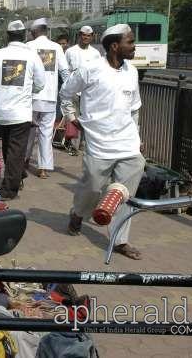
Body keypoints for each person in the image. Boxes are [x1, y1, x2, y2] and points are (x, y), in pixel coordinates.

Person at [60, 24, 145, 260]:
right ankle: (78, 213)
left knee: (125, 195)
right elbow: (66, 93)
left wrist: (137, 138)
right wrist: (71, 117)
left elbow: (135, 109)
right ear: (115, 46)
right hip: (98, 144)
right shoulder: (90, 69)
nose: (134, 46)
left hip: (127, 144)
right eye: (130, 42)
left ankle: (120, 240)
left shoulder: (132, 72)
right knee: (93, 188)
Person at [0, 20, 45, 200]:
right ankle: (10, 189)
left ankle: (16, 176)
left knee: (8, 148)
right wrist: (26, 91)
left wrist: (1, 90)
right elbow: (40, 84)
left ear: (7, 36)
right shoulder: (32, 56)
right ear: (24, 36)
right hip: (21, 112)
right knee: (16, 151)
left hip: (1, 112)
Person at [25, 18, 69, 179]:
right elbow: (65, 72)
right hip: (50, 97)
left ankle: (24, 160)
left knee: (28, 132)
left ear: (35, 31)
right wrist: (69, 91)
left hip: (31, 98)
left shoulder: (28, 46)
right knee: (46, 133)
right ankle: (43, 168)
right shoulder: (56, 47)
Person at [64, 26, 101, 155]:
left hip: (89, 92)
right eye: (83, 35)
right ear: (79, 36)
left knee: (88, 118)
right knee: (74, 118)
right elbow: (65, 71)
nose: (85, 38)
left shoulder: (95, 53)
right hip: (74, 90)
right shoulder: (70, 51)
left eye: (88, 35)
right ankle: (73, 145)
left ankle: (84, 144)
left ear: (92, 37)